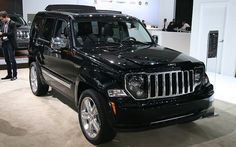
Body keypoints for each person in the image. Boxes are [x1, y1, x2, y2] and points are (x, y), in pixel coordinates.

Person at [0, 11, 17, 81]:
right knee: (7, 60)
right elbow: (2, 31)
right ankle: (9, 74)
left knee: (12, 60)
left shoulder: (13, 23)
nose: (1, 20)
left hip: (10, 43)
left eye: (2, 19)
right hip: (4, 43)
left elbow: (12, 34)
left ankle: (15, 75)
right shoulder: (3, 23)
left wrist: (3, 34)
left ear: (6, 17)